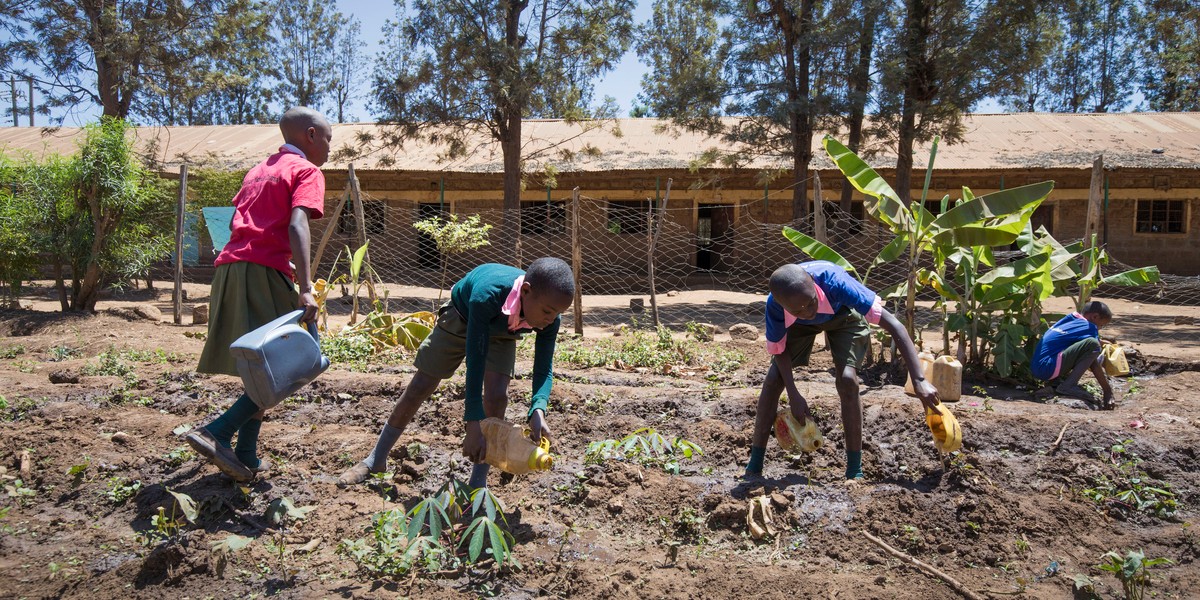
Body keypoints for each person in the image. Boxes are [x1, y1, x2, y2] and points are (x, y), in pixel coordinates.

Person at [184, 107, 333, 482]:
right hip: (264, 270)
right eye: (329, 139)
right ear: (311, 135)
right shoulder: (306, 171)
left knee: (261, 364)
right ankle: (217, 431)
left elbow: (244, 222)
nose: (330, 149)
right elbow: (298, 224)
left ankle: (247, 454)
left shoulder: (259, 170)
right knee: (297, 361)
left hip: (231, 269)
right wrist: (305, 286)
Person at [338, 258, 576, 488]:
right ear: (525, 291)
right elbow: (476, 358)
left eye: (557, 314)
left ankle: (477, 484)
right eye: (547, 311)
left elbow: (544, 367)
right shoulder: (487, 294)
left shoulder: (548, 316)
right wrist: (472, 422)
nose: (551, 319)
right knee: (420, 386)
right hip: (463, 318)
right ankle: (375, 460)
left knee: (496, 397)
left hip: (504, 331)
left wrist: (538, 408)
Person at [745, 261, 943, 481]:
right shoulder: (777, 306)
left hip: (843, 315)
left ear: (813, 284)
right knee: (774, 379)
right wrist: (793, 393)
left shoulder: (836, 283)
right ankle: (754, 466)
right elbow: (779, 350)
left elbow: (895, 325)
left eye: (811, 303)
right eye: (798, 310)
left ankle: (854, 470)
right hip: (798, 327)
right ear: (784, 306)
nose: (809, 312)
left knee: (848, 380)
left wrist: (919, 380)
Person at [1031, 301, 1115, 408]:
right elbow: (1093, 351)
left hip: (1038, 368)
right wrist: (1107, 391)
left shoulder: (1070, 319)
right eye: (1101, 325)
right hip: (1048, 369)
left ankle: (1056, 382)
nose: (1099, 328)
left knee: (1091, 346)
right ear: (1095, 316)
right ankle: (1068, 386)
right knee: (1093, 345)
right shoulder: (1090, 327)